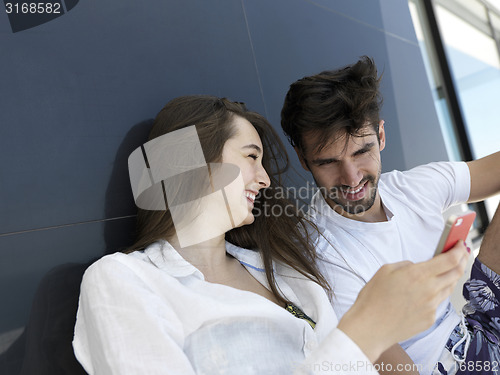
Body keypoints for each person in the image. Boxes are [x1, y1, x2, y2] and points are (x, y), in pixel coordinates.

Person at [72, 95, 468, 374]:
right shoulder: (122, 280)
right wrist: (364, 332)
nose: (263, 179)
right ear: (191, 160)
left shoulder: (285, 272)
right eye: (250, 157)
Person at [280, 56, 500, 374]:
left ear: (381, 136)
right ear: (303, 159)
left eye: (361, 151)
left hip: (476, 329)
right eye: (328, 162)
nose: (352, 177)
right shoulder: (318, 256)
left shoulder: (410, 187)